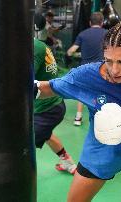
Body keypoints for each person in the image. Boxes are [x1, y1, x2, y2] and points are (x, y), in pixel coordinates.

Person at [35, 21, 121, 201]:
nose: (114, 70)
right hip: (99, 155)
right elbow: (49, 88)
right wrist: (13, 88)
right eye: (109, 61)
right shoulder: (86, 76)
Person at [33, 38, 76, 174]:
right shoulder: (37, 44)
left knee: (21, 145)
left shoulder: (32, 48)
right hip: (50, 105)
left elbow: (21, 81)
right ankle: (67, 161)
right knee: (46, 134)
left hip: (47, 109)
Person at [67, 12, 107, 126]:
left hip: (85, 68)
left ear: (90, 22)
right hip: (101, 68)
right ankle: (100, 118)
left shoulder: (82, 34)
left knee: (83, 92)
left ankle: (78, 117)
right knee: (101, 92)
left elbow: (71, 51)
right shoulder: (107, 34)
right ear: (102, 22)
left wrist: (76, 55)